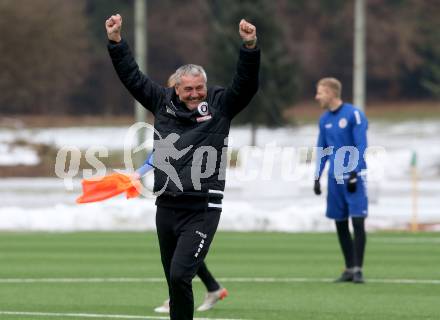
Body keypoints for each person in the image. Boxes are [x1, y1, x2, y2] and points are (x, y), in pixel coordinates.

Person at [105, 14, 260, 320]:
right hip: (166, 205)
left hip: (202, 208)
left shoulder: (220, 104)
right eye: (188, 89)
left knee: (179, 276)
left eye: (198, 88)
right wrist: (116, 42)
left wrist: (250, 47)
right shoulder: (161, 101)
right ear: (176, 87)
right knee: (174, 284)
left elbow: (246, 85)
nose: (194, 94)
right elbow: (132, 78)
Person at [313, 77, 368, 284]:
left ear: (331, 93)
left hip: (354, 177)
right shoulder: (324, 119)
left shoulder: (354, 114)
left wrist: (355, 171)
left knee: (358, 222)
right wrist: (317, 176)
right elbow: (322, 150)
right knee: (341, 223)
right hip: (334, 179)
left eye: (320, 92)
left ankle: (359, 269)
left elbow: (361, 144)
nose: (316, 96)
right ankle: (349, 268)